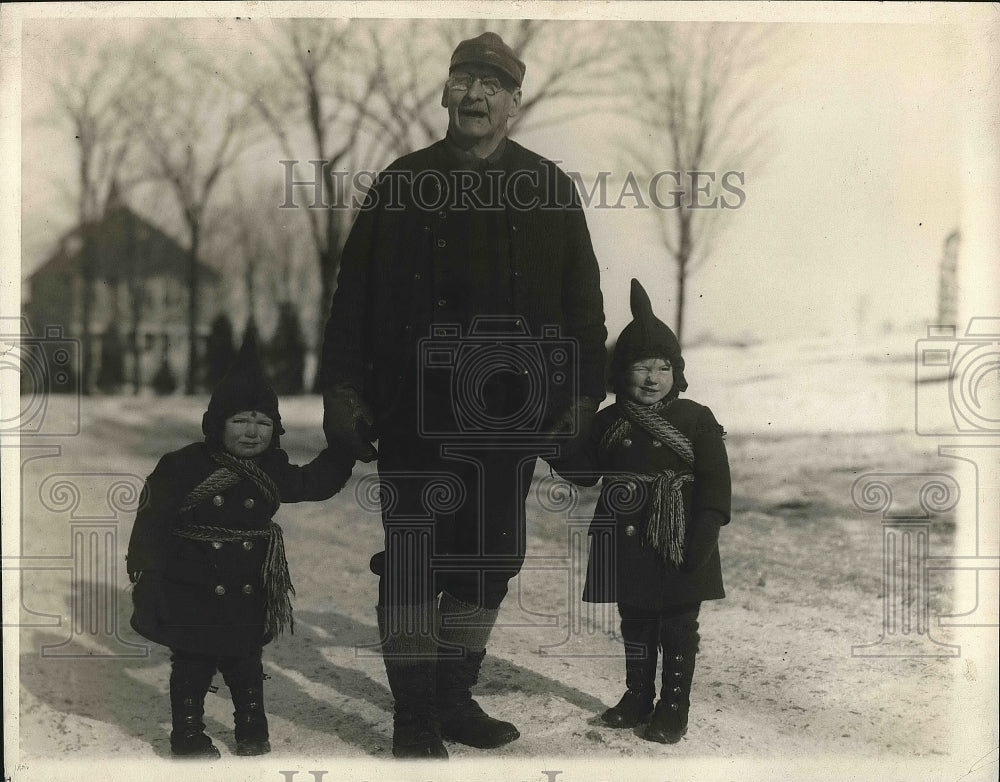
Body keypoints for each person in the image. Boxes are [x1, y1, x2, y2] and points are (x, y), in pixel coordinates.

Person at [320, 32, 607, 758]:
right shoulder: (402, 182)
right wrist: (343, 389)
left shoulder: (547, 187)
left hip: (514, 409)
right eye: (462, 81)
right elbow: (352, 298)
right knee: (416, 557)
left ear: (514, 102)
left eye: (492, 85)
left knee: (492, 558)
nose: (475, 95)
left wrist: (579, 399)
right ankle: (413, 715)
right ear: (445, 92)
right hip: (414, 407)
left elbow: (584, 308)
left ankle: (451, 693)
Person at [126, 337, 355, 758]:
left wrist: (344, 452)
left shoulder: (270, 467)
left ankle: (252, 728)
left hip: (248, 585)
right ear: (217, 424)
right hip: (191, 584)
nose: (253, 432)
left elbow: (310, 484)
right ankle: (187, 735)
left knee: (246, 662)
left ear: (275, 429)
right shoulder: (181, 466)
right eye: (241, 421)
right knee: (192, 664)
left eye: (263, 423)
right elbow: (151, 523)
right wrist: (146, 576)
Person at [550, 279, 731, 744]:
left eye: (664, 367)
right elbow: (587, 473)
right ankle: (636, 697)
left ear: (678, 372)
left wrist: (703, 540)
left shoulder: (696, 417)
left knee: (675, 625)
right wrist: (556, 445)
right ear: (620, 373)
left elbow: (715, 487)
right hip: (624, 536)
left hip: (681, 537)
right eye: (640, 367)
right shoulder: (609, 421)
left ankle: (673, 707)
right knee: (634, 620)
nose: (652, 378)